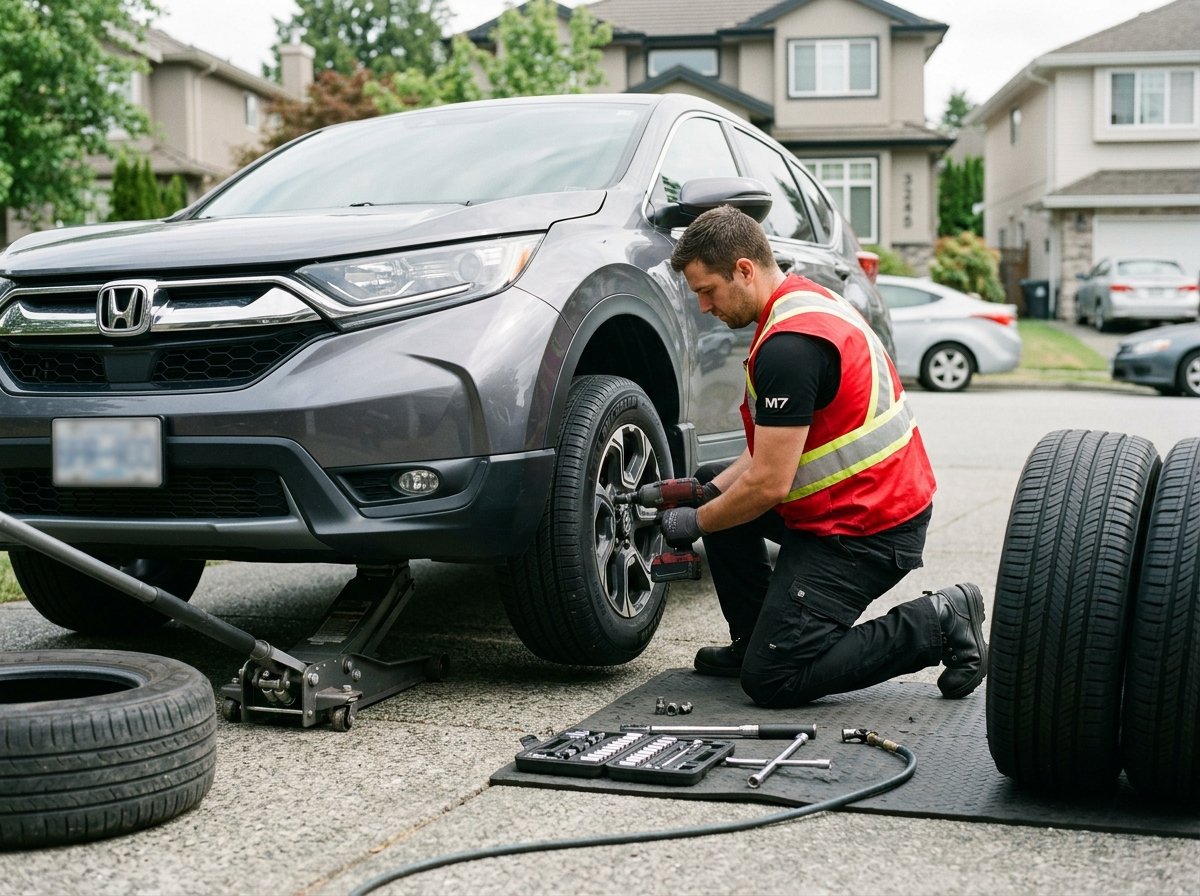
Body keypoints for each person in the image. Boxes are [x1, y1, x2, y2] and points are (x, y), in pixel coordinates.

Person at [657, 204, 987, 708]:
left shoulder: (789, 349)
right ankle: (754, 639)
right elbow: (763, 456)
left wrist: (695, 522)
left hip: (869, 530)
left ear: (744, 270)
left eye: (707, 291)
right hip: (857, 504)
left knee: (772, 679)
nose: (705, 306)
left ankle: (939, 622)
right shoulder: (801, 302)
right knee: (711, 480)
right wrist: (701, 496)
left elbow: (769, 484)